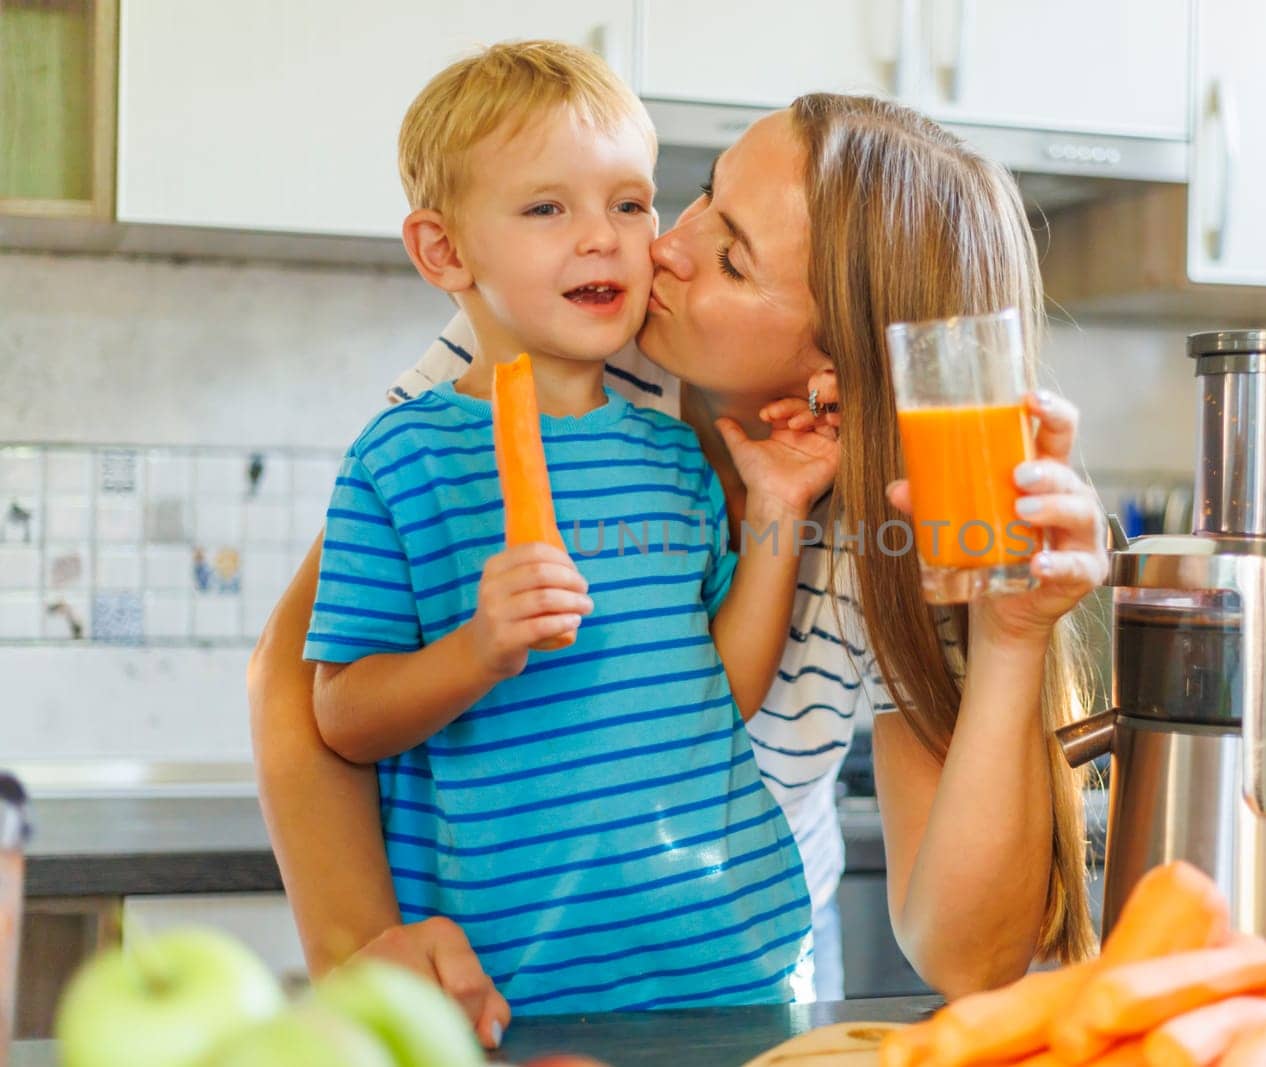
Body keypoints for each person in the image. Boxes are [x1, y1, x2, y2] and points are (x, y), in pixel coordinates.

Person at [250, 90, 1109, 1046]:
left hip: (734, 986)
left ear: (837, 370)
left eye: (733, 257)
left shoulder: (915, 517)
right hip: (508, 984)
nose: (662, 245)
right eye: (699, 195)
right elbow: (295, 680)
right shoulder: (563, 348)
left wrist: (1012, 635)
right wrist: (369, 950)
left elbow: (967, 957)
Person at [297, 40, 845, 1025]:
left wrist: (774, 511)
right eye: (548, 208)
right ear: (444, 252)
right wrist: (476, 651)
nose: (605, 238)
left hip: (728, 969)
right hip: (511, 989)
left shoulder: (677, 455)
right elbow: (340, 714)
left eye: (629, 203)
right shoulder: (402, 459)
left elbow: (719, 693)